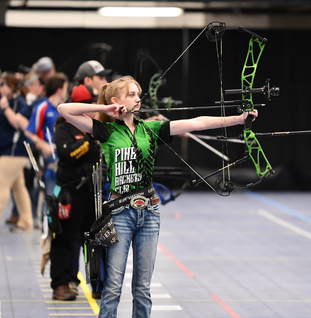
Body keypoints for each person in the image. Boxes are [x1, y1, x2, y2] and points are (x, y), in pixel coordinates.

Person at [57, 75, 258, 318]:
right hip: (120, 214)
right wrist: (104, 109)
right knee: (112, 288)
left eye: (138, 94)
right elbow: (64, 109)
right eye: (131, 95)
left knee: (142, 288)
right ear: (116, 100)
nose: (137, 98)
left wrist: (238, 119)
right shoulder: (106, 130)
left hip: (149, 213)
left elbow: (196, 122)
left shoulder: (150, 129)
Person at [50, 84, 100, 300]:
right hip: (71, 193)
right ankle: (61, 283)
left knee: (94, 241)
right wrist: (91, 141)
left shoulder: (98, 127)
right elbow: (69, 154)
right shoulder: (64, 127)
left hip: (93, 192)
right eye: (90, 104)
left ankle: (98, 282)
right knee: (65, 239)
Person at [0, 74, 34, 232]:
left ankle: (26, 221)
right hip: (8, 151)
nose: (0, 87)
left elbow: (19, 124)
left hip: (14, 151)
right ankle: (26, 222)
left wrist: (6, 109)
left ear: (11, 86)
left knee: (1, 186)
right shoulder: (7, 101)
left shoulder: (19, 103)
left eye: (2, 84)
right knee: (19, 187)